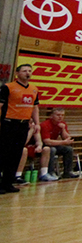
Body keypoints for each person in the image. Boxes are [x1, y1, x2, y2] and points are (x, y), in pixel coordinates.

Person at [0, 64, 41, 193]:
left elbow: (35, 108)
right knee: (3, 154)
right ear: (17, 73)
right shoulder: (8, 87)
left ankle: (8, 183)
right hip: (8, 124)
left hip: (23, 125)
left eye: (29, 71)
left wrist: (37, 123)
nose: (27, 73)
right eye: (24, 71)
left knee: (16, 154)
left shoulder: (34, 89)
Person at [41, 108, 78, 179]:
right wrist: (63, 142)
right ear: (51, 116)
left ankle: (68, 172)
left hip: (54, 144)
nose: (60, 117)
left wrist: (63, 129)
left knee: (68, 149)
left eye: (62, 115)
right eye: (58, 115)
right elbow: (47, 141)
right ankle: (50, 172)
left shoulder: (62, 124)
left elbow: (67, 138)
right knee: (52, 150)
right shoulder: (45, 124)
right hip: (43, 145)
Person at [17, 116, 55, 183]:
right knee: (24, 150)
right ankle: (18, 175)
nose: (32, 124)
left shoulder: (35, 129)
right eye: (30, 122)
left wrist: (39, 146)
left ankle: (44, 174)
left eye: (32, 122)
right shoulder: (22, 129)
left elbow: (39, 140)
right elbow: (23, 142)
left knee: (46, 149)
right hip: (21, 147)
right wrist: (31, 131)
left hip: (31, 148)